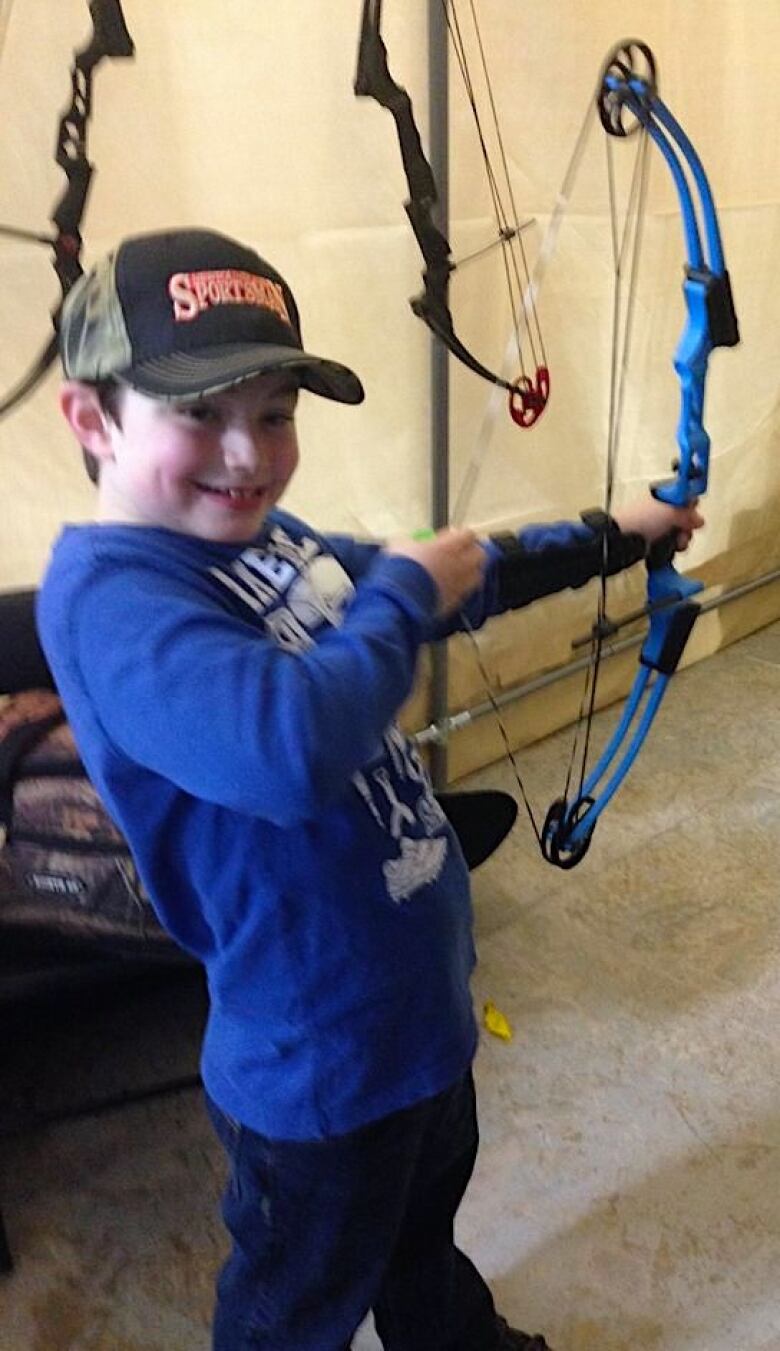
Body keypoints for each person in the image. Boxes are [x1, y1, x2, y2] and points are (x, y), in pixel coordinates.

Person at [37, 227, 703, 1351]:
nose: (247, 453)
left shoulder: (268, 538)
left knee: (419, 1238)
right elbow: (286, 749)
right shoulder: (113, 600)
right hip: (313, 1068)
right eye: (199, 412)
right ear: (93, 420)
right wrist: (396, 597)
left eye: (276, 413)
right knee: (295, 1303)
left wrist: (613, 536)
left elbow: (448, 578)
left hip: (413, 1017)